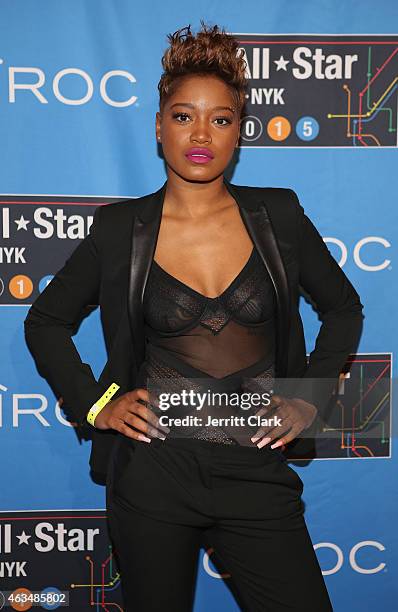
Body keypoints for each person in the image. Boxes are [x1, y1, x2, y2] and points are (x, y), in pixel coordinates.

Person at [24, 22, 364, 612]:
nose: (201, 133)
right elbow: (45, 322)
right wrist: (97, 403)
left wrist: (310, 396)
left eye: (221, 118)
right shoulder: (117, 229)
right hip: (153, 476)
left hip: (255, 468)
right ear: (159, 127)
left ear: (239, 132)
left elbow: (343, 308)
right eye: (183, 116)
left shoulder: (278, 215)